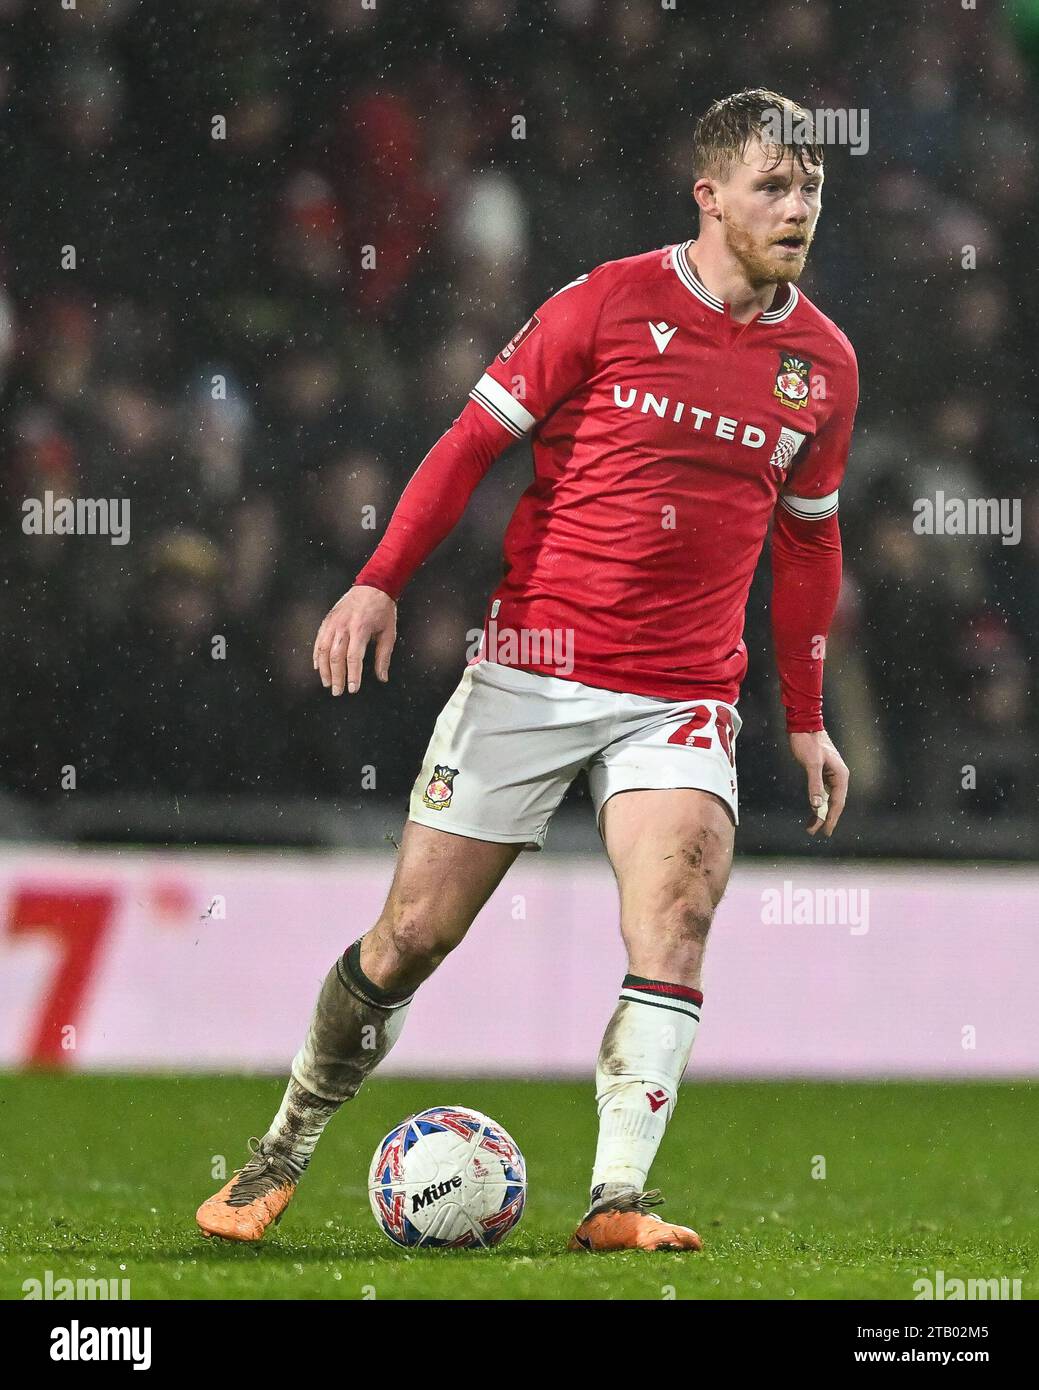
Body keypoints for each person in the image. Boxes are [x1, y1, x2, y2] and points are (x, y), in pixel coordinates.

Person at [197, 88, 857, 1253]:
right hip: (535, 670)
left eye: (808, 187)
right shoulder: (603, 303)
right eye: (772, 186)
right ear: (708, 197)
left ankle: (615, 1201)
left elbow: (808, 541)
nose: (797, 206)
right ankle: (283, 1147)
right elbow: (468, 445)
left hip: (685, 691)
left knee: (678, 914)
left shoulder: (822, 365)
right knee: (411, 935)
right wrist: (379, 578)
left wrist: (802, 715)